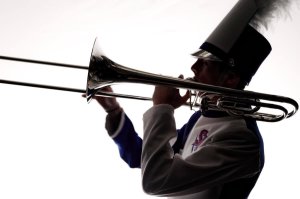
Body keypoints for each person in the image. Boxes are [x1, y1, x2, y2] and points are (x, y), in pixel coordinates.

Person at [87, 1, 273, 198]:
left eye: (205, 63)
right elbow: (142, 156)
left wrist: (161, 109)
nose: (193, 68)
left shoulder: (242, 140)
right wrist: (114, 111)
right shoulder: (201, 117)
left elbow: (155, 181)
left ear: (230, 78)